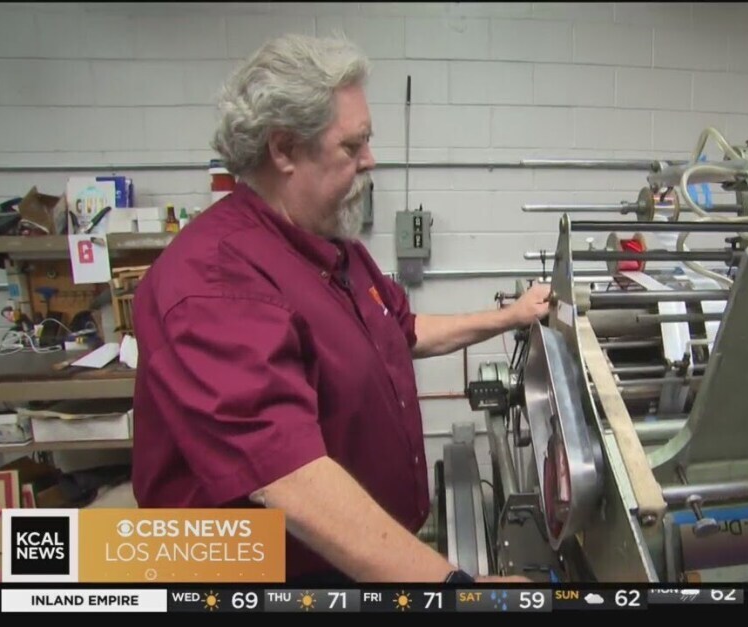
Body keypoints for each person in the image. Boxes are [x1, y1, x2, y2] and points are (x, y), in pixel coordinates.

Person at [130, 33, 548, 585]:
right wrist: (453, 591)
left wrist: (511, 317)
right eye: (353, 146)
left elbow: (403, 331)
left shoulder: (331, 247)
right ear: (284, 149)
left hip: (361, 564)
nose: (370, 160)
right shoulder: (216, 280)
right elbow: (290, 479)